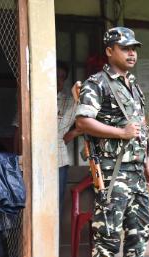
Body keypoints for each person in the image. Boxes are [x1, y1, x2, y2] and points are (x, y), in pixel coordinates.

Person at [75, 27, 149, 257]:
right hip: (113, 172)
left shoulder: (133, 85)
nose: (132, 54)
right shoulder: (97, 83)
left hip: (136, 172)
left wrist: (147, 164)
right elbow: (82, 122)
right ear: (110, 51)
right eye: (125, 49)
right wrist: (120, 132)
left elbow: (138, 130)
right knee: (108, 239)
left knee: (139, 235)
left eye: (134, 49)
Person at [57, 61, 82, 214]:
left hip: (58, 161)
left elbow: (84, 124)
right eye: (55, 76)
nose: (58, 80)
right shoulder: (31, 99)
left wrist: (73, 133)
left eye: (62, 77)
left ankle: (54, 238)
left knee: (56, 203)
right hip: (31, 159)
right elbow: (18, 131)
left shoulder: (70, 103)